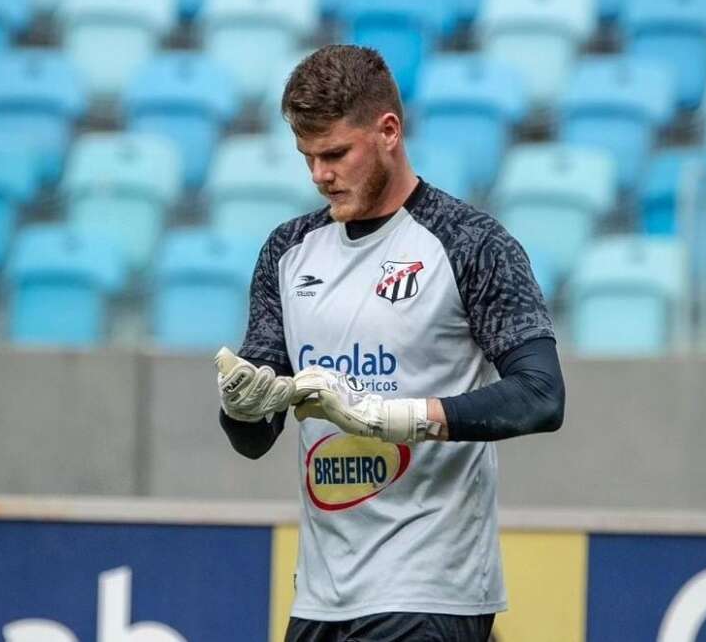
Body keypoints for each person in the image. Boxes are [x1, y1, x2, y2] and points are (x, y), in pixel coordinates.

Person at [215, 44, 565, 642]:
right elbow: (254, 441)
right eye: (308, 157)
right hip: (321, 600)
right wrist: (241, 408)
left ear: (388, 132)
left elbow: (541, 396)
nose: (320, 174)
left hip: (432, 593)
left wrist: (390, 417)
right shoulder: (287, 251)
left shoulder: (470, 243)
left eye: (336, 154)